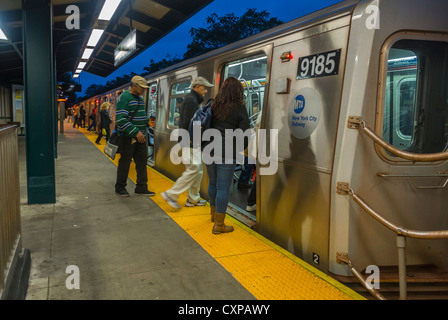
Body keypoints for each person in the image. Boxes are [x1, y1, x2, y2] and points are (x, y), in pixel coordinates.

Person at [161, 76, 214, 209]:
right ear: (196, 86)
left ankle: (193, 199)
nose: (206, 91)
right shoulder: (191, 101)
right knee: (194, 168)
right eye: (204, 87)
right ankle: (171, 194)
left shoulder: (193, 99)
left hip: (191, 140)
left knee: (198, 170)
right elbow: (191, 123)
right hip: (190, 140)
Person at [206, 77, 250, 234]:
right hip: (227, 150)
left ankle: (213, 215)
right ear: (238, 91)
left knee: (213, 182)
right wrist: (240, 148)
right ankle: (219, 224)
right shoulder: (239, 107)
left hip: (209, 148)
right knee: (223, 187)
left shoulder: (214, 105)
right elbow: (245, 133)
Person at [115, 75, 155, 197]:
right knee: (125, 163)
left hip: (141, 137)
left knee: (142, 162)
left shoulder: (139, 98)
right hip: (129, 137)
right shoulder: (125, 97)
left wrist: (148, 121)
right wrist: (136, 132)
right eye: (142, 87)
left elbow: (139, 116)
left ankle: (141, 187)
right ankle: (120, 187)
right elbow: (121, 119)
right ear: (134, 85)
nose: (144, 90)